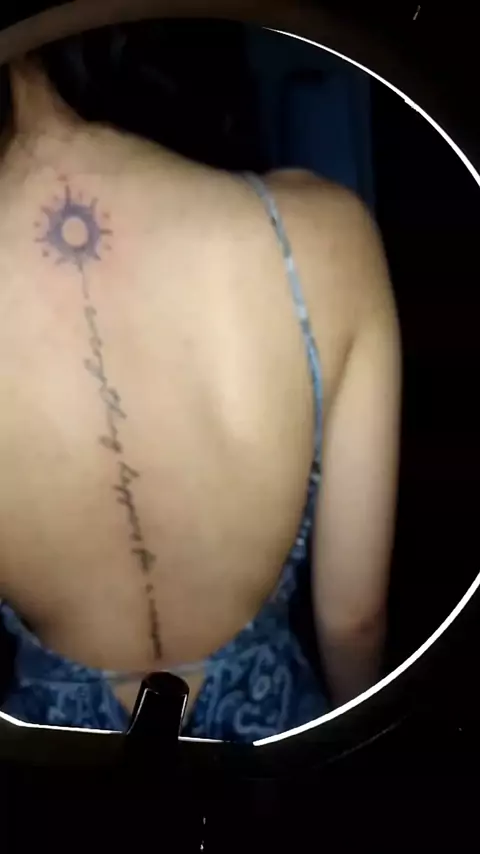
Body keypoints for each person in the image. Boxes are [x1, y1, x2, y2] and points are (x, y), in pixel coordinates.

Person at [0, 28, 402, 742]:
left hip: (53, 779)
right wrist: (354, 763)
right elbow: (354, 619)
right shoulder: (324, 233)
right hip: (273, 758)